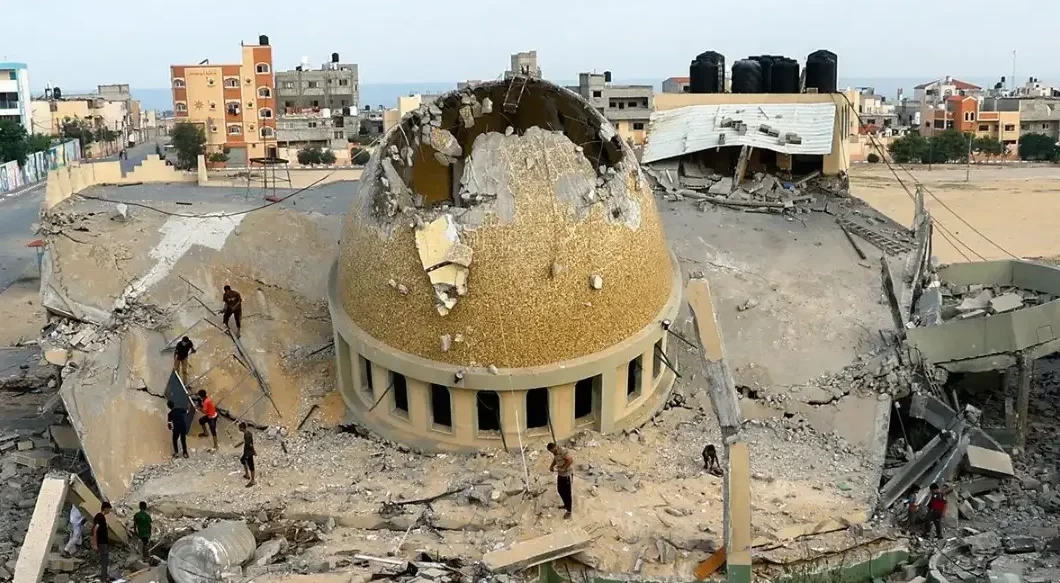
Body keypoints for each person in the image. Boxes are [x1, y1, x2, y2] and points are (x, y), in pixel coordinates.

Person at [547, 442, 574, 519]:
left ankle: (569, 511)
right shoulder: (555, 453)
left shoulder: (562, 451)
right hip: (561, 474)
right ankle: (566, 504)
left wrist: (564, 468)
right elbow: (555, 460)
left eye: (552, 451)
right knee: (560, 490)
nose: (552, 453)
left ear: (554, 448)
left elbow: (570, 460)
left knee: (567, 493)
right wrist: (551, 466)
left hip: (567, 475)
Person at [92, 502, 112, 582]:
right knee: (105, 561)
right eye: (109, 509)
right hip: (102, 543)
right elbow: (95, 529)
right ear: (106, 508)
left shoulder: (100, 517)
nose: (109, 511)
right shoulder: (100, 517)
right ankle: (104, 579)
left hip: (103, 542)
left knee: (105, 561)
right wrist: (95, 543)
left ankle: (105, 576)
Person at [239, 422, 256, 487]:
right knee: (242, 460)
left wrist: (252, 452)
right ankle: (247, 474)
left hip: (248, 453)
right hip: (248, 452)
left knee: (251, 466)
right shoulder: (248, 433)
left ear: (242, 428)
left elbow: (250, 445)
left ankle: (253, 480)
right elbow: (251, 443)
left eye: (239, 427)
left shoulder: (247, 435)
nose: (239, 429)